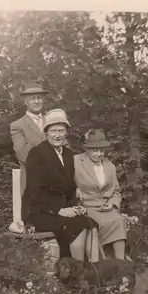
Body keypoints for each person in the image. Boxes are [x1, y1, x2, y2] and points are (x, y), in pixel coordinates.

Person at [22, 109, 99, 262]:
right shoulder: (36, 153)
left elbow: (70, 187)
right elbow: (34, 191)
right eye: (53, 131)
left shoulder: (68, 154)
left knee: (91, 224)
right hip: (39, 212)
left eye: (61, 131)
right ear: (46, 133)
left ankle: (95, 271)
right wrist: (58, 210)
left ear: (66, 133)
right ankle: (78, 274)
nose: (57, 135)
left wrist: (75, 206)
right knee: (77, 227)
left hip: (61, 209)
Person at [74, 129, 127, 260]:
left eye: (102, 150)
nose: (99, 154)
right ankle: (101, 262)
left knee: (119, 220)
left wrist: (112, 204)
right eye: (95, 150)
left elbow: (115, 191)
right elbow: (65, 183)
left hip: (106, 208)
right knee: (96, 224)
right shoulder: (75, 162)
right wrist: (74, 193)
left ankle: (121, 263)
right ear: (86, 149)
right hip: (87, 208)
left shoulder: (110, 166)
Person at [10, 82, 48, 201]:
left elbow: (66, 147)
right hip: (32, 181)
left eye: (39, 98)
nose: (36, 101)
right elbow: (23, 154)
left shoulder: (53, 120)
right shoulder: (17, 125)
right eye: (32, 99)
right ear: (25, 102)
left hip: (58, 183)